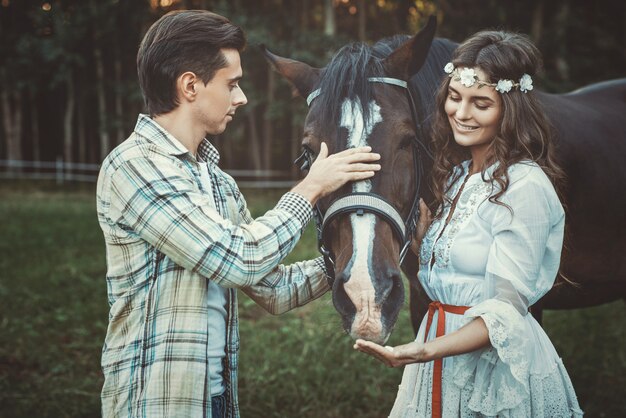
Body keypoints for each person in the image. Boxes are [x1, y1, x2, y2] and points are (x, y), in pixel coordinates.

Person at [96, 10, 381, 418]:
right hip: (155, 402)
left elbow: (275, 289)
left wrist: (352, 260)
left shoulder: (219, 184)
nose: (241, 97)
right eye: (231, 84)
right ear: (190, 86)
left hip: (216, 400)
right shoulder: (133, 166)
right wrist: (311, 187)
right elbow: (237, 259)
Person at [354, 31, 584, 417]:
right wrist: (427, 242)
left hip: (494, 367)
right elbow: (454, 281)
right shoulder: (459, 176)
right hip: (443, 353)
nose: (461, 114)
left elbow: (506, 312)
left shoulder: (524, 185)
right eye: (455, 97)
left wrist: (424, 349)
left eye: (481, 103)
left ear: (509, 109)